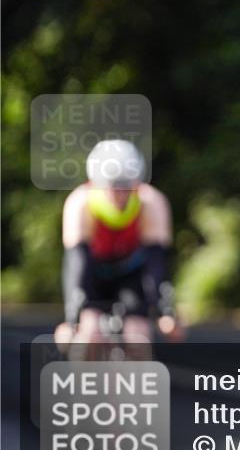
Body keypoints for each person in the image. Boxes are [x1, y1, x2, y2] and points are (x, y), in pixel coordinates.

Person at [54, 140, 183, 352]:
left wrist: (166, 311)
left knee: (138, 337)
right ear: (96, 183)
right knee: (89, 336)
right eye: (113, 186)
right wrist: (72, 319)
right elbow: (77, 265)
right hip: (94, 274)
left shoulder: (151, 202)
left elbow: (156, 263)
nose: (120, 195)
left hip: (130, 274)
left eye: (126, 186)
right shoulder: (80, 203)